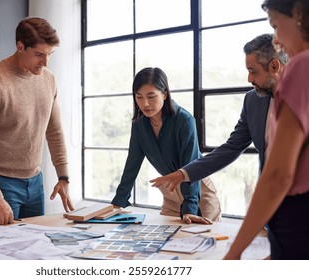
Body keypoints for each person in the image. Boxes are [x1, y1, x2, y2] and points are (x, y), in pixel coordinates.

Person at [0, 17, 74, 226]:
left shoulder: (49, 79)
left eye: (50, 54)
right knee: (3, 254)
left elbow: (55, 131)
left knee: (35, 251)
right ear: (20, 46)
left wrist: (64, 177)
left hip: (35, 183)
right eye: (39, 55)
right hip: (1, 184)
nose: (46, 62)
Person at [150, 34, 287, 196]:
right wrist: (183, 173)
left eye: (253, 71)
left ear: (274, 66)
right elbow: (231, 148)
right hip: (271, 199)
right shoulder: (252, 100)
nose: (249, 79)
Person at [225, 0, 309, 259]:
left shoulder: (302, 66)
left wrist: (234, 253)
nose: (276, 39)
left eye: (275, 26)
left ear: (297, 14)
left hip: (295, 215)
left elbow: (278, 177)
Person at [111, 67, 221, 224]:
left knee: (203, 241)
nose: (145, 104)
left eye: (151, 96)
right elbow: (132, 165)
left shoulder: (184, 120)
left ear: (165, 94)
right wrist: (117, 204)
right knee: (167, 242)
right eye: (139, 97)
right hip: (170, 193)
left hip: (198, 190)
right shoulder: (139, 124)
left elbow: (190, 165)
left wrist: (190, 208)